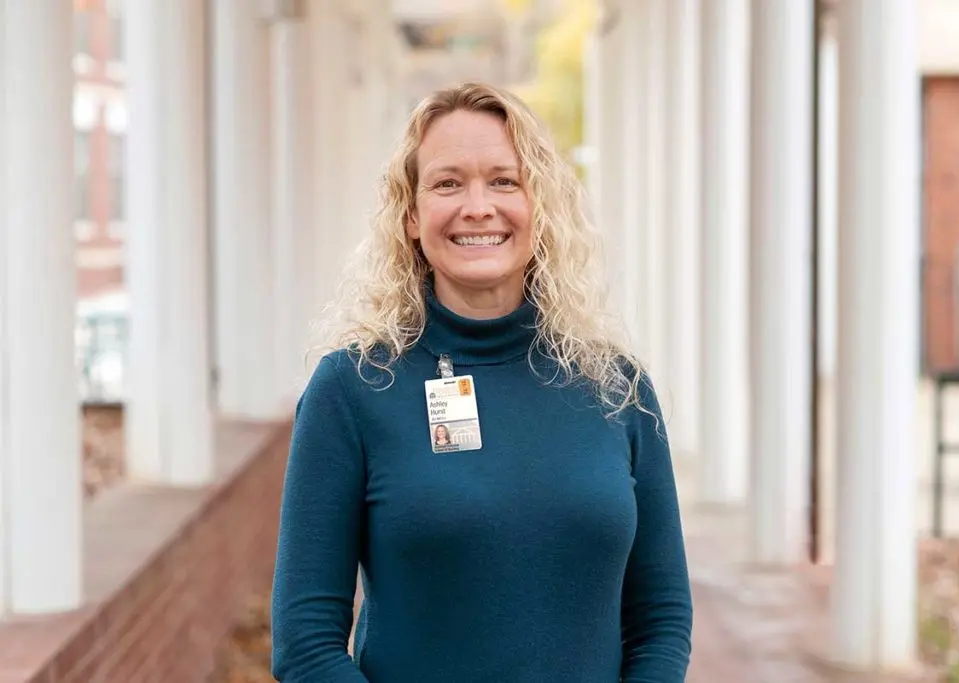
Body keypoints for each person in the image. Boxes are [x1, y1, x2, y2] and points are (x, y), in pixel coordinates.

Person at [270, 82, 693, 682]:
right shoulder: (354, 387)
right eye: (447, 183)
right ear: (411, 216)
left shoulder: (615, 386)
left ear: (539, 205)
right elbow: (305, 644)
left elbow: (661, 618)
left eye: (504, 180)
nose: (478, 206)